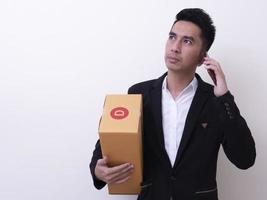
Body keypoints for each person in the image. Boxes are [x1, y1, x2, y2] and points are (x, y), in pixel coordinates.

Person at [90, 8, 256, 200]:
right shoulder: (139, 93)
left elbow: (245, 159)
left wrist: (224, 97)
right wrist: (97, 169)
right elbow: (107, 143)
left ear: (203, 56)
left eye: (187, 41)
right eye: (172, 37)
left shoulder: (215, 101)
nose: (175, 47)